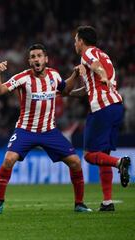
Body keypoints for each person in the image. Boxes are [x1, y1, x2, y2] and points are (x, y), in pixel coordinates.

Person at [0, 44, 92, 214]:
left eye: (39, 55)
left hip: (49, 131)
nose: (36, 59)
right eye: (32, 56)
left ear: (46, 59)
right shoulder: (22, 78)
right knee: (8, 160)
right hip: (25, 130)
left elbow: (65, 89)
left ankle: (79, 204)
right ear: (29, 61)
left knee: (75, 162)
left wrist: (75, 74)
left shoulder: (54, 74)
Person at [70, 25, 131, 211]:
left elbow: (97, 70)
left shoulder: (87, 54)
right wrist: (67, 93)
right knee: (103, 155)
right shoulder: (105, 55)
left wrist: (102, 75)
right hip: (117, 107)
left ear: (81, 41)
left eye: (75, 40)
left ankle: (120, 163)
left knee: (89, 155)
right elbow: (90, 86)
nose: (74, 43)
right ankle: (107, 202)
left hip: (101, 108)